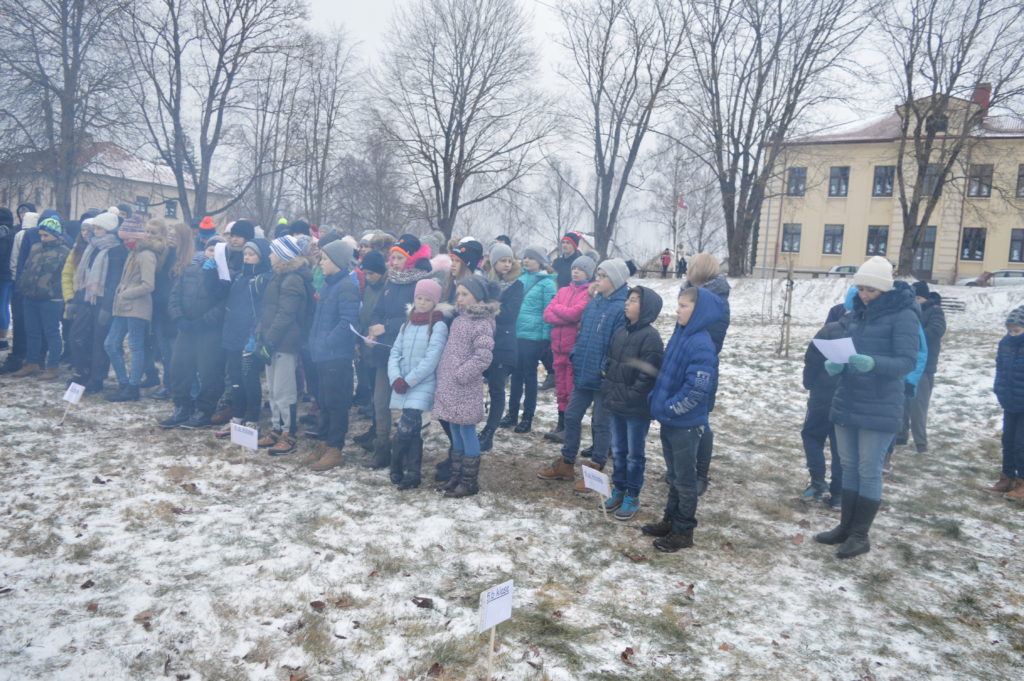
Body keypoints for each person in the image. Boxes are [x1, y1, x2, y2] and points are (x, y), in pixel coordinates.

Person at [815, 256, 919, 559]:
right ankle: (845, 527)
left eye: (870, 290)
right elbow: (850, 351)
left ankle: (860, 535)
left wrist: (874, 364)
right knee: (848, 465)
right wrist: (838, 365)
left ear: (885, 289)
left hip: (880, 403)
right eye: (860, 289)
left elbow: (907, 362)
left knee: (869, 469)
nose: (864, 295)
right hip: (848, 398)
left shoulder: (904, 315)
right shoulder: (857, 313)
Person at [644, 285, 725, 552]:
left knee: (685, 479)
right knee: (674, 475)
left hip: (685, 424)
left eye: (683, 306)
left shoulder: (701, 343)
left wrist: (671, 408)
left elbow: (697, 388)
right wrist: (656, 399)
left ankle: (683, 531)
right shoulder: (681, 334)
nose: (677, 311)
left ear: (698, 311)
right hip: (671, 420)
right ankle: (670, 520)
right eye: (678, 305)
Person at [537, 258, 630, 485]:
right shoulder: (593, 304)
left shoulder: (621, 309)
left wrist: (604, 369)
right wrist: (576, 356)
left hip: (604, 378)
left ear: (616, 280)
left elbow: (619, 346)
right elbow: (582, 335)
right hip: (583, 372)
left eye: (603, 276)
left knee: (600, 423)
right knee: (571, 415)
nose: (598, 279)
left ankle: (596, 471)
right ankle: (566, 463)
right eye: (598, 275)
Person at [366, 233, 434, 469]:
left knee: (407, 405)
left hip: (408, 352)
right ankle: (381, 447)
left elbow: (418, 315)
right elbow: (377, 310)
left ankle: (405, 450)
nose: (393, 262)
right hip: (384, 351)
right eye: (392, 257)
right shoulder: (390, 281)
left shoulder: (420, 284)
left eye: (399, 258)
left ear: (411, 259)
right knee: (380, 401)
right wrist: (373, 331)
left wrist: (387, 326)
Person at [601, 286, 664, 520]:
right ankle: (618, 488)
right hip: (616, 402)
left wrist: (631, 395)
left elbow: (648, 374)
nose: (627, 303)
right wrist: (607, 382)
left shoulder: (651, 337)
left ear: (646, 308)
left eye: (634, 300)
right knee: (618, 450)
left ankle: (632, 494)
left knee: (634, 454)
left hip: (636, 409)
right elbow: (610, 362)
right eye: (628, 299)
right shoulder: (620, 332)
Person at [434, 274, 500, 498]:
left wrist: (462, 374)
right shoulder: (460, 319)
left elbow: (483, 356)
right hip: (450, 384)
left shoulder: (482, 322)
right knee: (454, 427)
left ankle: (469, 481)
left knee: (466, 429)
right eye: (458, 294)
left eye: (465, 294)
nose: (459, 298)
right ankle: (456, 475)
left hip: (465, 386)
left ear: (478, 297)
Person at [303, 240, 361, 471]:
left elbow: (348, 322)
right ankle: (323, 442)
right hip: (322, 355)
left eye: (325, 259)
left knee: (336, 403)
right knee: (324, 401)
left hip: (336, 356)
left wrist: (326, 343)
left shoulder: (346, 286)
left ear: (337, 262)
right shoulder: (329, 285)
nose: (321, 262)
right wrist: (314, 342)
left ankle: (335, 449)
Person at [387, 278, 450, 489]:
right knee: (413, 429)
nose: (422, 303)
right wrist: (395, 377)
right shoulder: (407, 323)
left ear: (435, 302)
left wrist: (409, 380)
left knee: (406, 425)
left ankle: (396, 464)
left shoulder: (438, 326)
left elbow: (431, 358)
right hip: (401, 381)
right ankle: (413, 473)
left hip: (422, 383)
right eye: (419, 298)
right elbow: (395, 351)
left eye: (427, 299)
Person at [254, 234, 314, 455]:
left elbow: (285, 315)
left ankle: (289, 432)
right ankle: (277, 427)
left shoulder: (292, 280)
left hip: (285, 342)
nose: (269, 256)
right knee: (273, 388)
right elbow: (269, 311)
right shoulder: (279, 276)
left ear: (282, 255)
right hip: (273, 340)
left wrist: (270, 340)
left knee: (284, 389)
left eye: (272, 252)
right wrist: (261, 336)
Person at [161, 236, 230, 428]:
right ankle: (182, 407)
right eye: (210, 250)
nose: (212, 254)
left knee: (209, 372)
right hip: (186, 328)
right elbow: (175, 295)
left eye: (217, 252)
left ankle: (204, 410)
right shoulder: (190, 269)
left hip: (209, 331)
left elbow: (223, 305)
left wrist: (203, 322)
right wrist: (179, 318)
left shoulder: (226, 275)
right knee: (179, 367)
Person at [683, 253, 731, 496]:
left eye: (690, 266)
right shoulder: (689, 294)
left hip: (702, 366)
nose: (686, 270)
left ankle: (701, 473)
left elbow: (713, 340)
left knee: (701, 421)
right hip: (683, 362)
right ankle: (683, 468)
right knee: (684, 420)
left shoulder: (716, 301)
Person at [103, 217, 165, 401]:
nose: (125, 242)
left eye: (128, 238)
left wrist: (126, 294)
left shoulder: (146, 255)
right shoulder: (133, 252)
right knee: (110, 344)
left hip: (137, 307)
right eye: (123, 239)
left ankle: (132, 386)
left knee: (135, 347)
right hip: (123, 306)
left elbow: (148, 285)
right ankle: (124, 382)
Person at [216, 238, 271, 437]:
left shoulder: (264, 279)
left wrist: (256, 332)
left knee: (249, 378)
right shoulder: (239, 276)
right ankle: (237, 417)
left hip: (250, 335)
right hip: (232, 333)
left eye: (252, 254)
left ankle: (253, 419)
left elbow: (264, 308)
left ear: (262, 257)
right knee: (235, 378)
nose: (247, 258)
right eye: (245, 254)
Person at [541, 255, 595, 442]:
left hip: (573, 349)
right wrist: (565, 315)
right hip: (557, 347)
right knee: (560, 388)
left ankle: (570, 428)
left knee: (570, 388)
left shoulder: (589, 294)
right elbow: (547, 314)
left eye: (580, 269)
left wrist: (559, 310)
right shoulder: (563, 290)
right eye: (574, 268)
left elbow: (575, 314)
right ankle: (561, 424)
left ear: (588, 273)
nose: (576, 272)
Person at [502, 245, 556, 433]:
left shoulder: (547, 283)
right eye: (525, 257)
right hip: (516, 334)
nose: (526, 261)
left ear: (540, 262)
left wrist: (546, 338)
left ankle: (527, 418)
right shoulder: (520, 279)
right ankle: (512, 414)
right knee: (516, 375)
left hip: (534, 337)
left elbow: (549, 312)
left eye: (531, 258)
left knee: (529, 377)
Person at [12, 216, 69, 379]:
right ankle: (32, 363)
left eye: (46, 235)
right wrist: (23, 286)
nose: (42, 238)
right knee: (32, 331)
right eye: (41, 235)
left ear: (56, 235)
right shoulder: (35, 248)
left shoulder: (64, 252)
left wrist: (57, 292)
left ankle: (53, 366)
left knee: (51, 333)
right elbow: (26, 268)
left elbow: (66, 276)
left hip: (51, 299)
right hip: (30, 296)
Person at [480, 242, 524, 451]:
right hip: (482, 341)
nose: (507, 264)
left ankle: (489, 432)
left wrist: (484, 308)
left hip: (504, 344)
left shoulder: (516, 285)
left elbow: (508, 314)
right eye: (502, 260)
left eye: (509, 260)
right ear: (493, 262)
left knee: (497, 389)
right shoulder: (484, 282)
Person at [800, 315, 845, 508]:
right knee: (841, 444)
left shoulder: (830, 330)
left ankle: (818, 481)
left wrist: (809, 383)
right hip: (849, 397)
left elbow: (812, 359)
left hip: (822, 394)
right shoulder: (869, 333)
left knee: (812, 435)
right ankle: (839, 494)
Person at [898, 281, 946, 453]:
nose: (916, 301)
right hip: (906, 364)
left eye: (919, 298)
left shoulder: (935, 311)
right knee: (902, 403)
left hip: (924, 367)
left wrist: (914, 337)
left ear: (926, 298)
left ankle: (921, 442)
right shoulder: (908, 311)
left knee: (918, 407)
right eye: (914, 298)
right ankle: (900, 436)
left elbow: (937, 330)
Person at [989, 305, 1024, 500]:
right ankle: (1006, 477)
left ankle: (1022, 483)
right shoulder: (1005, 344)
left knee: (1021, 443)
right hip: (1010, 400)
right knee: (1008, 440)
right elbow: (1000, 368)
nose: (1012, 334)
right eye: (1010, 330)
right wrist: (999, 388)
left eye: (1017, 331)